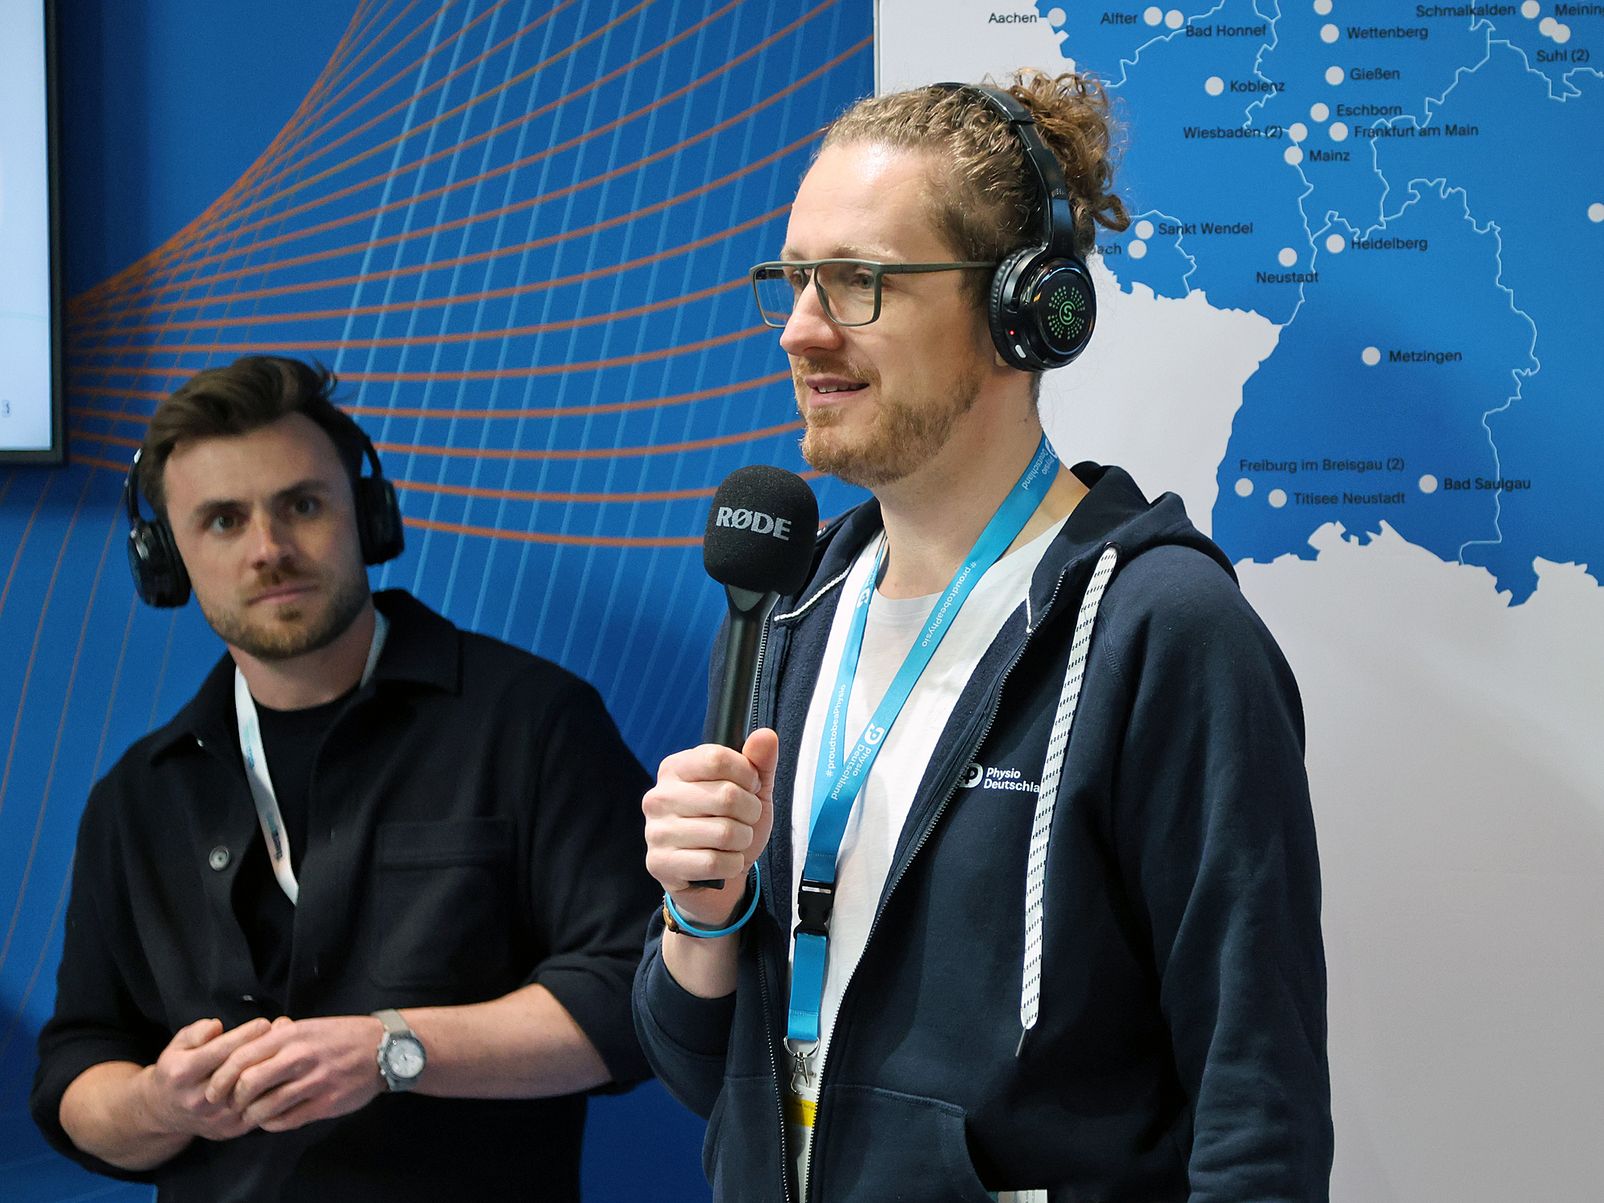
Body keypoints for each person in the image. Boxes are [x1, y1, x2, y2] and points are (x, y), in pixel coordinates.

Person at [632, 71, 1332, 1202]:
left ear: (1022, 310)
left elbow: (1258, 1114)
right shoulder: (787, 611)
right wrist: (698, 916)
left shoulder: (1161, 631)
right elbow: (694, 1068)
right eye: (794, 279)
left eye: (857, 282)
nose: (802, 330)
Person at [31, 356, 658, 1201]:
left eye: (301, 505)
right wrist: (159, 1101)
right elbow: (76, 1066)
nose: (269, 549)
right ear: (167, 559)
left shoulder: (530, 721)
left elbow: (638, 992)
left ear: (367, 514)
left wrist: (388, 1049)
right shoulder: (138, 795)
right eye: (223, 520)